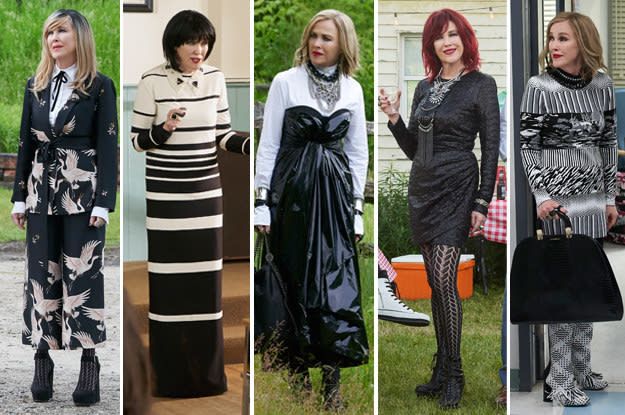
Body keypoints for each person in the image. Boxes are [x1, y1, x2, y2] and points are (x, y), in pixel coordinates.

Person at [379, 8, 499, 409]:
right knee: (435, 282)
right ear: (431, 45)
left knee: (445, 278)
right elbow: (414, 149)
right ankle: (440, 367)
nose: (447, 42)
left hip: (459, 184)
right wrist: (395, 118)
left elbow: (491, 148)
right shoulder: (424, 89)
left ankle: (456, 372)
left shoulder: (481, 85)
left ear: (465, 38)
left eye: (453, 34)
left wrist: (482, 201)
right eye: (438, 37)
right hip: (424, 188)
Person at [254, 9, 369, 411]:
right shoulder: (287, 83)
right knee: (293, 280)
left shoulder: (353, 90)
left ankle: (332, 383)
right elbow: (268, 143)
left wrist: (357, 209)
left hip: (335, 198)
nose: (318, 44)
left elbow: (357, 152)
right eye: (314, 36)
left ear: (343, 45)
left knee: (334, 286)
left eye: (327, 38)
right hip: (291, 197)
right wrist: (260, 202)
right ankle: (298, 375)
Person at [130, 10, 249, 398]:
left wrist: (250, 144)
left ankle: (208, 378)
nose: (199, 49)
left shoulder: (215, 78)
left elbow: (223, 135)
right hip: (166, 196)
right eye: (191, 42)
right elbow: (136, 142)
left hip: (204, 194)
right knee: (169, 288)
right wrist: (163, 130)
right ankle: (171, 378)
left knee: (204, 286)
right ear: (174, 44)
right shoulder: (151, 81)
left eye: (204, 42)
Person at [10, 9, 117, 406]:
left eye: (62, 31)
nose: (54, 38)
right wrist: (19, 196)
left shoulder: (100, 86)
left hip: (83, 197)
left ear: (80, 38)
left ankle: (90, 361)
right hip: (40, 195)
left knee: (82, 275)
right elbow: (25, 144)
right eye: (50, 31)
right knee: (41, 273)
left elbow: (108, 147)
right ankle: (42, 357)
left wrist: (104, 203)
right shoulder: (34, 86)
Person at [520, 11, 617, 407]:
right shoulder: (538, 86)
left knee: (586, 287)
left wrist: (610, 198)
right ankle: (558, 382)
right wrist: (541, 196)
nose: (553, 46)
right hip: (557, 205)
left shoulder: (602, 85)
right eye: (551, 38)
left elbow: (608, 142)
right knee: (564, 292)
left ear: (583, 43)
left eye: (562, 38)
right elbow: (529, 146)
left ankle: (580, 368)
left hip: (593, 201)